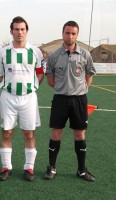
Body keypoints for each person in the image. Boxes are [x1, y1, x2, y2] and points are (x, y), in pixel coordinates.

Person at [44, 21, 96, 182]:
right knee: (56, 133)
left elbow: (89, 76)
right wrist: (64, 88)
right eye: (67, 33)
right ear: (63, 34)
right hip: (60, 99)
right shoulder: (53, 56)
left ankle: (81, 170)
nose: (70, 36)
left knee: (80, 135)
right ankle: (52, 167)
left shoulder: (85, 55)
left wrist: (78, 90)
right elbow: (50, 80)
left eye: (73, 33)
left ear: (77, 35)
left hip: (79, 100)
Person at [0, 16, 45, 181]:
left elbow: (40, 74)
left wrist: (29, 88)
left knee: (29, 134)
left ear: (27, 31)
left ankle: (29, 168)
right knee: (7, 133)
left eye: (22, 29)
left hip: (29, 98)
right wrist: (9, 88)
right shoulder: (3, 52)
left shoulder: (35, 52)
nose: (19, 32)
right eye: (16, 29)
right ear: (11, 31)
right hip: (8, 98)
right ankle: (6, 167)